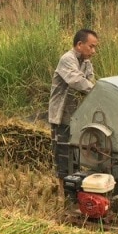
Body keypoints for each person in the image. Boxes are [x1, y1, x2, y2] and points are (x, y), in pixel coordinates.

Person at [48, 29, 98, 188]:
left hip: (77, 117)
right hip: (62, 116)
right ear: (79, 45)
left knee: (76, 155)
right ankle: (64, 194)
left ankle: (75, 189)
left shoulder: (87, 63)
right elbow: (77, 81)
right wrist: (99, 91)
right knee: (63, 155)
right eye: (91, 47)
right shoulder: (67, 59)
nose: (93, 51)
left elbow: (91, 81)